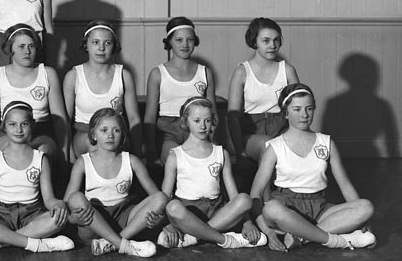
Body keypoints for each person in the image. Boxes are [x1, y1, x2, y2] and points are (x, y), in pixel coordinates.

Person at [248, 84, 376, 252]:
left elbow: (345, 186)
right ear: (285, 113)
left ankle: (302, 237)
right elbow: (255, 193)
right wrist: (268, 232)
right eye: (297, 109)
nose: (304, 115)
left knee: (366, 207)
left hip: (319, 208)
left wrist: (363, 221)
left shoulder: (326, 142)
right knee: (271, 208)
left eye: (309, 108)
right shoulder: (274, 147)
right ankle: (336, 240)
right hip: (286, 208)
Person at [157, 97, 266, 249]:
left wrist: (247, 223)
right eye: (196, 121)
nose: (202, 126)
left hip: (216, 211)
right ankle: (225, 239)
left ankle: (193, 237)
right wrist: (169, 224)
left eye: (207, 120)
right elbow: (165, 196)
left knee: (245, 200)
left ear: (213, 121)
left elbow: (234, 195)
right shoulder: (175, 155)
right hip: (189, 212)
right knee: (173, 207)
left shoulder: (221, 153)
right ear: (185, 121)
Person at [0, 101, 74, 254]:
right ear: (4, 127)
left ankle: (2, 241)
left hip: (32, 213)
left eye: (24, 124)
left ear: (32, 125)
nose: (18, 130)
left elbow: (49, 199)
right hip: (2, 214)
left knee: (58, 218)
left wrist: (58, 204)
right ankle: (38, 244)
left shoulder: (41, 159)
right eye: (12, 124)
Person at [65, 108, 166, 257]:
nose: (110, 135)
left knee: (161, 198)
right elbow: (68, 202)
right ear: (93, 134)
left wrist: (159, 216)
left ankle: (111, 244)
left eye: (116, 130)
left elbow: (156, 197)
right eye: (104, 130)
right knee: (75, 198)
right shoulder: (83, 161)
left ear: (123, 135)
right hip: (94, 222)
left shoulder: (131, 160)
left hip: (123, 220)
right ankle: (124, 245)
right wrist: (73, 218)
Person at [0, 23, 69, 166]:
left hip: (41, 132)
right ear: (10, 49)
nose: (27, 51)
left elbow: (60, 121)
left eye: (31, 46)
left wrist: (64, 155)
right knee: (13, 152)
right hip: (8, 133)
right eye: (21, 46)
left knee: (41, 153)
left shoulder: (48, 74)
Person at [63, 21, 143, 159]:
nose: (101, 48)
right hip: (85, 135)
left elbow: (133, 118)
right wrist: (68, 153)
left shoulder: (123, 75)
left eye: (107, 43)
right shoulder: (74, 76)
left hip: (115, 136)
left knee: (110, 145)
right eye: (95, 42)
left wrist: (137, 155)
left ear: (114, 46)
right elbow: (65, 120)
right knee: (97, 146)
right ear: (86, 45)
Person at [143, 17, 216, 165]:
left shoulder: (205, 72)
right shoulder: (158, 73)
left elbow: (213, 113)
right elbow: (150, 117)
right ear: (169, 41)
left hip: (197, 129)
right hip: (167, 132)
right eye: (179, 40)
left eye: (190, 40)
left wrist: (214, 144)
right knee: (177, 160)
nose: (185, 45)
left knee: (198, 162)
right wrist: (151, 152)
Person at [227, 17, 299, 162]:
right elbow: (233, 117)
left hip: (282, 129)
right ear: (254, 42)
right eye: (266, 41)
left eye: (276, 40)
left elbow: (298, 107)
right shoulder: (242, 72)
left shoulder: (287, 70)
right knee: (269, 146)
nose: (273, 45)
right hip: (252, 133)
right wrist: (240, 152)